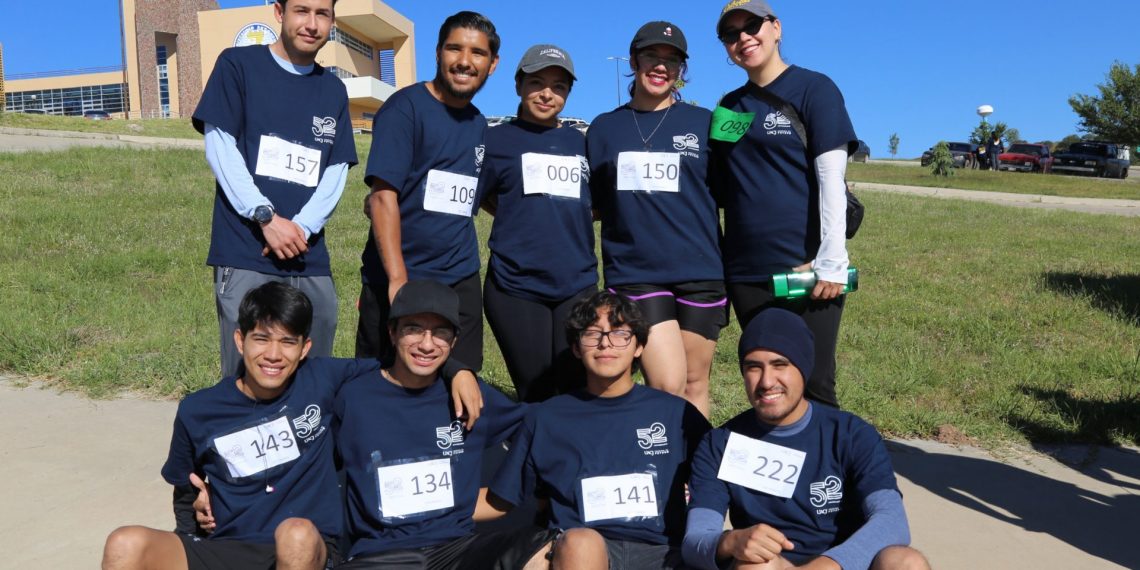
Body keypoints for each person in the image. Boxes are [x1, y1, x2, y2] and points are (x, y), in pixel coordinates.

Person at [101, 282, 372, 570]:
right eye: (261, 339)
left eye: (288, 342)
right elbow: (186, 490)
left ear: (304, 348)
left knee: (295, 534)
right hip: (227, 547)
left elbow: (394, 371)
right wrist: (196, 516)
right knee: (124, 544)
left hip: (305, 549)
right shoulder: (198, 410)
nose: (273, 354)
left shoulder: (323, 380)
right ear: (240, 341)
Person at [682, 308, 929, 570]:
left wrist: (828, 565)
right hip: (775, 564)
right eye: (753, 367)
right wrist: (730, 541)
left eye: (780, 365)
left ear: (804, 368)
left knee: (907, 562)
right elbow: (695, 541)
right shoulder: (720, 444)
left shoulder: (850, 434)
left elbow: (892, 521)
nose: (766, 381)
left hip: (845, 564)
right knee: (755, 566)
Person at [489, 291, 711, 569]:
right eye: (592, 334)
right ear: (576, 347)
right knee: (581, 543)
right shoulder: (545, 417)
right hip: (583, 552)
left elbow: (719, 479)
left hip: (664, 551)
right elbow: (501, 500)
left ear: (639, 346)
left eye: (619, 333)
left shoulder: (676, 413)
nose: (605, 343)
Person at [193, 0, 356, 378]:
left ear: (332, 21)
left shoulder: (333, 89)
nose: (311, 24)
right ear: (279, 13)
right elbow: (220, 147)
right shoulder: (237, 66)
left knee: (314, 379)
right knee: (248, 380)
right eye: (302, 11)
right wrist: (265, 217)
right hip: (246, 253)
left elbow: (335, 170)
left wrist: (302, 228)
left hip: (308, 256)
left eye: (322, 14)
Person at [334, 280, 541, 569]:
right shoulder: (353, 396)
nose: (427, 344)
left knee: (553, 551)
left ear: (454, 342)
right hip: (381, 553)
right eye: (414, 329)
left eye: (440, 333)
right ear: (392, 332)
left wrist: (507, 496)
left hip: (457, 548)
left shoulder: (471, 395)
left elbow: (542, 427)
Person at [712, 0, 857, 408]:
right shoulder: (727, 107)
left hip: (806, 269)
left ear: (775, 28)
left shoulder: (815, 88)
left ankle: (828, 454)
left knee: (813, 384)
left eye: (752, 26)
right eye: (730, 34)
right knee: (767, 388)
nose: (743, 38)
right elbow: (718, 186)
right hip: (745, 274)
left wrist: (831, 257)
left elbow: (831, 177)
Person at [586, 21, 726, 416]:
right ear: (634, 61)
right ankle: (664, 454)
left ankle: (694, 456)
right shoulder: (604, 129)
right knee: (667, 384)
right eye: (652, 56)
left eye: (672, 60)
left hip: (702, 270)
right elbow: (593, 203)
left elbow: (733, 189)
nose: (661, 66)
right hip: (637, 273)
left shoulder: (705, 123)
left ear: (682, 69)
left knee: (695, 383)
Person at [355, 11, 500, 372]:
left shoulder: (479, 124)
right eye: (454, 49)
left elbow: (478, 194)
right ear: (437, 53)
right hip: (401, 275)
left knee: (461, 380)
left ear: (492, 64)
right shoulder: (405, 109)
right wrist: (397, 280)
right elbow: (382, 196)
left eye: (477, 53)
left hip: (460, 278)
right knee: (379, 383)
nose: (464, 61)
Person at [479, 44, 597, 402]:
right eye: (537, 83)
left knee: (578, 389)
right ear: (518, 85)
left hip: (577, 283)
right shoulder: (494, 140)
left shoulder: (581, 143)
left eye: (559, 86)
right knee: (537, 393)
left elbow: (596, 202)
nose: (547, 94)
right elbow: (477, 194)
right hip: (515, 285)